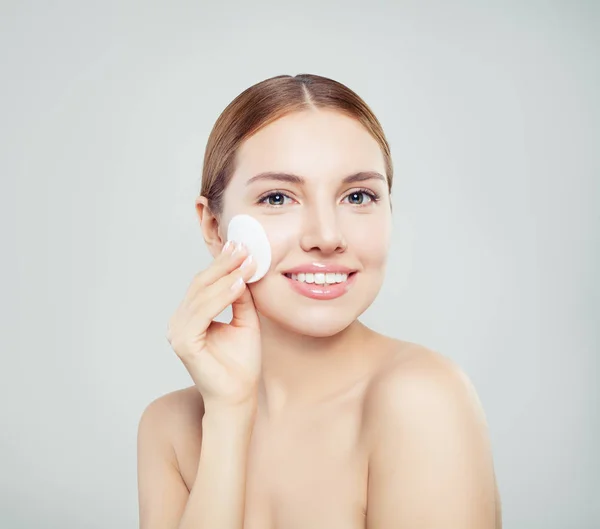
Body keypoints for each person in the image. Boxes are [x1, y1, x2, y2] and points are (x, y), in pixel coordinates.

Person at [137, 73, 502, 529]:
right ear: (213, 227)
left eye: (358, 196)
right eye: (277, 197)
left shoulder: (421, 400)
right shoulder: (169, 428)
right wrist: (228, 416)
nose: (327, 237)